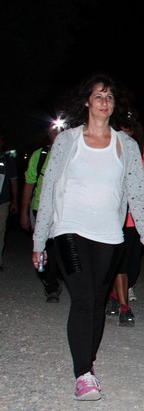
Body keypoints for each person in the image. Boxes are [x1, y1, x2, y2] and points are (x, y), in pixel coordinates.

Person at [31, 74, 144, 400]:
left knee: (97, 300)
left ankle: (86, 362)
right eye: (98, 96)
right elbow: (49, 190)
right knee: (84, 296)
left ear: (114, 105)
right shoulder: (67, 141)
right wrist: (39, 239)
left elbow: (137, 194)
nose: (104, 102)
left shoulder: (126, 146)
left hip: (109, 235)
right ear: (87, 101)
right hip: (68, 230)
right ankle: (83, 374)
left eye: (109, 97)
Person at [105, 115, 144, 326]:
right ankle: (121, 303)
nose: (127, 132)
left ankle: (117, 296)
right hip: (111, 215)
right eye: (123, 127)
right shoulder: (108, 147)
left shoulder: (141, 152)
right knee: (116, 261)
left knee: (130, 261)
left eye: (131, 128)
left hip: (133, 217)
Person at [20, 124, 63, 301]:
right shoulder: (40, 155)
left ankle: (59, 276)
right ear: (49, 134)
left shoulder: (73, 153)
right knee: (47, 248)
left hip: (65, 210)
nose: (57, 134)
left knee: (61, 248)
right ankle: (51, 285)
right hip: (41, 208)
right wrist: (24, 212)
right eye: (54, 131)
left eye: (61, 131)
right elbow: (29, 183)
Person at [0, 132, 19, 272]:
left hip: (3, 202)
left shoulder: (8, 160)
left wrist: (14, 202)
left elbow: (14, 181)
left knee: (1, 231)